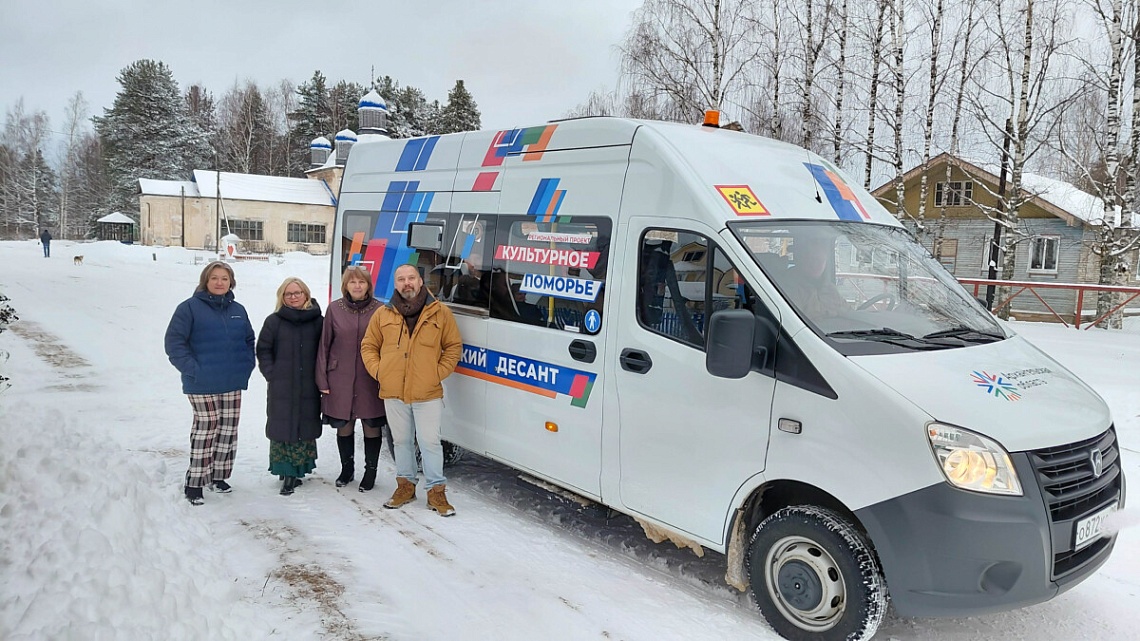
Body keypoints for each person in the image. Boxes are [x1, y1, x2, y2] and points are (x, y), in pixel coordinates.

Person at [361, 263, 463, 516]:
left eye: (411, 278)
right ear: (395, 284)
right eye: (401, 279)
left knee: (430, 442)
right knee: (402, 441)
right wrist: (380, 371)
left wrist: (436, 373)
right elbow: (368, 346)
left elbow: (453, 347)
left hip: (427, 392)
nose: (406, 283)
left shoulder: (439, 313)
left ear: (420, 281)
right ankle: (405, 487)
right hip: (393, 390)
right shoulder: (383, 314)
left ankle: (436, 493)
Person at [164, 260, 256, 505]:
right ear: (205, 280)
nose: (219, 282)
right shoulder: (189, 308)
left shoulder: (238, 309)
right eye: (214, 278)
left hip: (232, 380)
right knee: (206, 428)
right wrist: (193, 370)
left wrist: (246, 365)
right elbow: (174, 343)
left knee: (228, 430)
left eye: (224, 278)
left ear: (231, 282)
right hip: (201, 382)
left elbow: (249, 340)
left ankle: (219, 476)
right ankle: (195, 482)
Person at [316, 265, 389, 492]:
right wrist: (322, 380)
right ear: (345, 285)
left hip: (371, 378)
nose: (357, 286)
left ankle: (370, 472)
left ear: (368, 285)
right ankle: (347, 469)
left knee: (371, 424)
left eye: (362, 282)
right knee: (344, 424)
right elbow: (324, 346)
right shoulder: (334, 310)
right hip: (340, 377)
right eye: (352, 282)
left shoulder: (381, 309)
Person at [256, 277, 324, 496]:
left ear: (306, 294)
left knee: (304, 426)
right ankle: (286, 472)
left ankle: (298, 470)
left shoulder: (318, 322)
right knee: (282, 425)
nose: (293, 297)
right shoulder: (273, 322)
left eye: (297, 292)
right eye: (288, 294)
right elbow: (263, 349)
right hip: (282, 386)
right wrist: (272, 373)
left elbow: (327, 350)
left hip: (309, 386)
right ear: (282, 297)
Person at [782, 232, 849, 318]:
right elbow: (797, 320)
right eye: (812, 259)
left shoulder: (830, 289)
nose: (816, 264)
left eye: (821, 260)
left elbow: (849, 313)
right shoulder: (788, 286)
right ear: (801, 259)